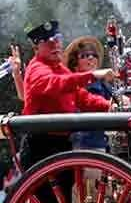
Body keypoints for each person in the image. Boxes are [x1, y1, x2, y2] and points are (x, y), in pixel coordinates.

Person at [20, 20, 116, 164]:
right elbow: (57, 83)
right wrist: (93, 75)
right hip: (41, 146)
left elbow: (82, 97)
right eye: (48, 42)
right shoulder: (37, 68)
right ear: (36, 48)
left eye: (57, 39)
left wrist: (109, 105)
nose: (55, 45)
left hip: (62, 142)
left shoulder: (60, 68)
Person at [64, 36, 114, 151]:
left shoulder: (104, 84)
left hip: (103, 143)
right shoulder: (75, 86)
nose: (91, 58)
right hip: (86, 145)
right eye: (85, 56)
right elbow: (89, 102)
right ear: (75, 65)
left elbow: (117, 98)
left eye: (94, 55)